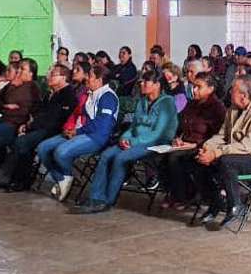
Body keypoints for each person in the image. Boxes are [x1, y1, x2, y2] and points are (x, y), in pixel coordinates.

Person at [72, 70, 178, 214]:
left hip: (157, 143)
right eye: (142, 81)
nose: (141, 84)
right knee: (106, 155)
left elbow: (158, 133)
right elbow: (134, 126)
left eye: (146, 81)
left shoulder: (167, 103)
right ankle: (95, 197)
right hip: (135, 140)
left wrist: (133, 142)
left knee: (121, 158)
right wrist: (124, 138)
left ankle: (108, 200)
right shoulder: (142, 101)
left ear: (157, 85)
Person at [194, 75, 251, 228]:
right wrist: (207, 147)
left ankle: (235, 205)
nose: (230, 92)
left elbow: (247, 146)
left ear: (244, 96)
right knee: (199, 160)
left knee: (226, 161)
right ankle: (216, 202)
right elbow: (222, 136)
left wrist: (217, 153)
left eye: (233, 90)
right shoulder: (233, 110)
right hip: (235, 153)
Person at [37, 65, 118, 201]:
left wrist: (77, 131)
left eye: (91, 76)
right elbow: (77, 114)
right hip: (80, 132)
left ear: (99, 80)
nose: (87, 78)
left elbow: (101, 126)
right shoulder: (90, 93)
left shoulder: (108, 97)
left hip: (96, 137)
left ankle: (66, 177)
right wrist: (70, 128)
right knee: (43, 148)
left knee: (61, 152)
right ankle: (64, 178)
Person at [0, 63, 77, 190]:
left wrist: (30, 127)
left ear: (64, 77)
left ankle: (20, 180)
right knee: (16, 139)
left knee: (23, 142)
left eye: (53, 74)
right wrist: (27, 124)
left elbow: (53, 120)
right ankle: (10, 177)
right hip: (40, 127)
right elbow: (39, 113)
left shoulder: (68, 95)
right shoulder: (51, 94)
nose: (49, 77)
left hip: (55, 131)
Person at [160, 72, 226, 209]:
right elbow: (180, 125)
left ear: (210, 88)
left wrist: (195, 144)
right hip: (184, 143)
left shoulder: (217, 108)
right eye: (193, 86)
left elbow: (218, 136)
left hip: (203, 146)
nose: (194, 90)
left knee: (174, 158)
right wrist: (177, 139)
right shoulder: (191, 104)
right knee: (160, 156)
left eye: (198, 87)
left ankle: (184, 196)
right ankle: (172, 191)